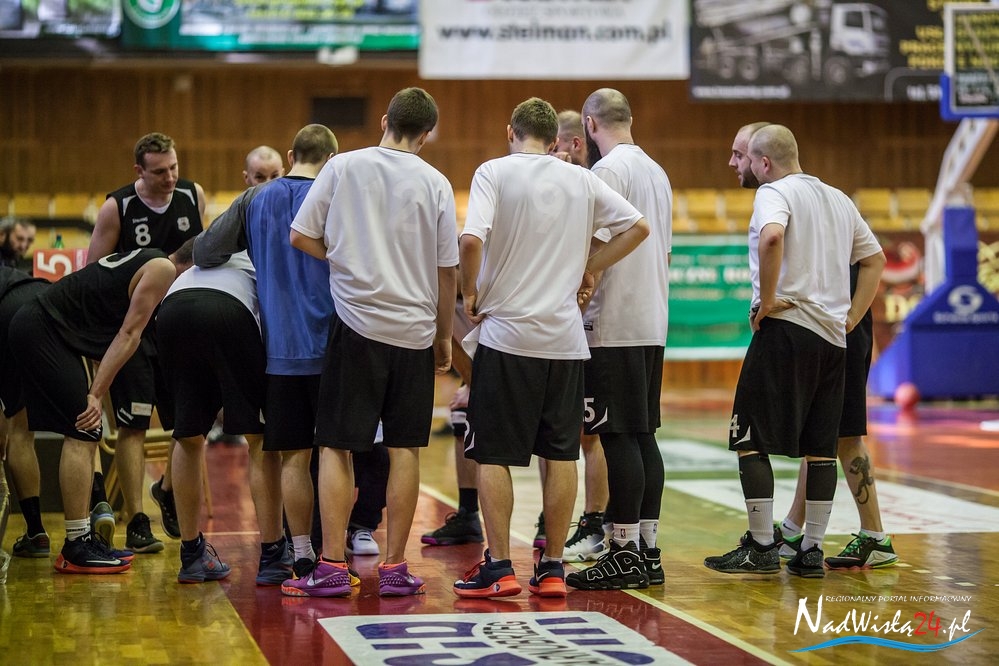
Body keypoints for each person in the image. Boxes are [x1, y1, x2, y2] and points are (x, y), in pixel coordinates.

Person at [453, 97, 650, 600]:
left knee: (492, 454)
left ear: (511, 132)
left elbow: (471, 240)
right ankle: (554, 568)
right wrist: (591, 266)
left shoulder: (494, 172)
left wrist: (470, 292)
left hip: (508, 338)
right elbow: (639, 228)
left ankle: (499, 567)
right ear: (553, 139)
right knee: (562, 454)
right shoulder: (581, 178)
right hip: (565, 341)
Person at [284, 87, 457, 598]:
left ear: (384, 120)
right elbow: (447, 270)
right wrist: (443, 337)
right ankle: (396, 567)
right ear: (427, 133)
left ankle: (332, 565)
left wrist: (343, 258)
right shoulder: (437, 182)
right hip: (415, 332)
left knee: (336, 446)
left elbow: (300, 235)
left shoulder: (343, 166)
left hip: (356, 325)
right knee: (405, 450)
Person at [704, 124, 886, 579]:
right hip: (833, 339)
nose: (739, 164)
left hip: (787, 329)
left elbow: (772, 237)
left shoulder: (774, 192)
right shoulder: (839, 198)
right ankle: (810, 551)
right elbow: (876, 259)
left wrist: (766, 301)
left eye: (745, 158)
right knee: (821, 447)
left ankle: (762, 545)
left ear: (764, 163)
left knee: (750, 439)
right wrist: (851, 315)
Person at [194, 124, 339, 578]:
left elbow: (204, 251)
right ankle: (335, 556)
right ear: (332, 161)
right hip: (334, 346)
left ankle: (300, 552)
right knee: (336, 455)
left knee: (292, 455)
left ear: (291, 155)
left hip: (279, 350)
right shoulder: (337, 194)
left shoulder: (254, 199)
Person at [6, 245, 190, 573]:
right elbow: (129, 335)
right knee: (84, 426)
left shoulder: (149, 259)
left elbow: (99, 318)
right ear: (190, 266)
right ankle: (76, 545)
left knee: (86, 428)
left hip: (48, 328)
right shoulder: (162, 269)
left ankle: (82, 538)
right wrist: (95, 394)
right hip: (41, 327)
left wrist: (94, 387)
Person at [564, 89, 673, 591]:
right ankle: (647, 550)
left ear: (590, 124)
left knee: (618, 436)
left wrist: (582, 278)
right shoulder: (656, 171)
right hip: (651, 321)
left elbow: (600, 242)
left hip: (614, 324)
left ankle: (624, 552)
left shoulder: (607, 171)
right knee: (643, 434)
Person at [87, 132, 207, 551]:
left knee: (189, 424)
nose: (170, 177)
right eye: (159, 172)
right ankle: (137, 520)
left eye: (174, 167)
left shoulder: (192, 195)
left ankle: (167, 490)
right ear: (139, 170)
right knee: (133, 426)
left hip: (180, 328)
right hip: (134, 331)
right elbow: (94, 274)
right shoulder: (117, 207)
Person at [157, 250, 288, 583]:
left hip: (172, 308)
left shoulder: (213, 253)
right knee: (260, 440)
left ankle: (191, 555)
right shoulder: (266, 253)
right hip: (229, 309)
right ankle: (273, 555)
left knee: (187, 436)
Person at [0, 267, 51, 558]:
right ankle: (89, 522)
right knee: (80, 424)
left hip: (9, 310)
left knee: (19, 430)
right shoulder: (13, 271)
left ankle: (36, 531)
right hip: (49, 299)